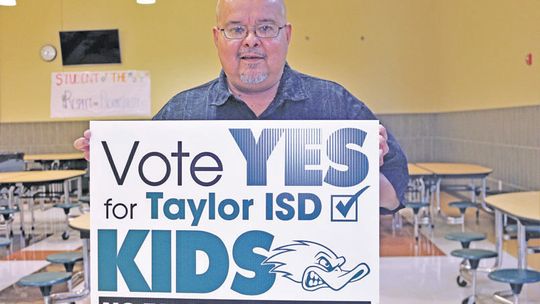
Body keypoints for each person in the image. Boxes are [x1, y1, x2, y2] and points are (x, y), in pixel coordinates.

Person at [74, 0, 409, 213]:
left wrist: (363, 173)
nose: (251, 40)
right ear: (217, 38)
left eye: (265, 27)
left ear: (287, 35)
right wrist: (109, 163)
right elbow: (136, 203)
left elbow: (393, 195)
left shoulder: (335, 106)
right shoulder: (180, 114)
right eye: (236, 29)